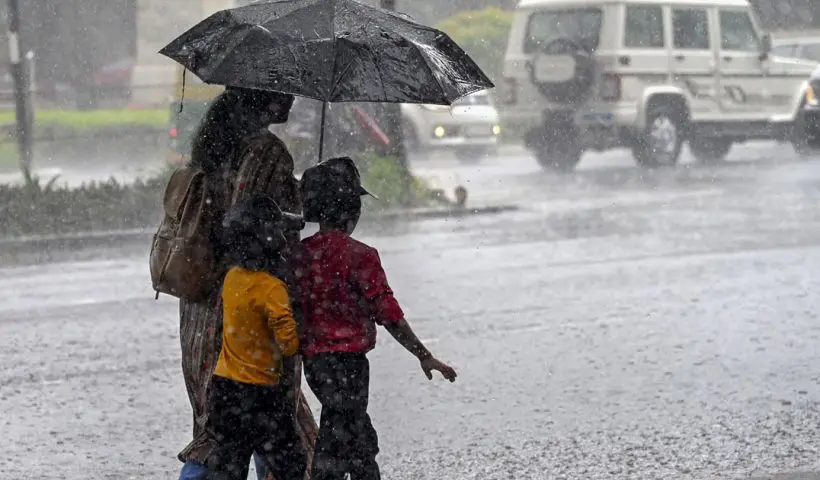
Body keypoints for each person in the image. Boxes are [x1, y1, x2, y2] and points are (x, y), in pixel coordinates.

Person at [178, 87, 316, 480]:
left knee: (218, 427)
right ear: (262, 97)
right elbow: (251, 222)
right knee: (275, 419)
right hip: (247, 306)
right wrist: (296, 206)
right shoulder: (266, 151)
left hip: (202, 305)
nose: (293, 98)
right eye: (284, 89)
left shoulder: (213, 147)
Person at [296, 157, 458, 480]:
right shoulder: (361, 256)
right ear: (352, 213)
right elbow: (388, 313)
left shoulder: (299, 254)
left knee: (346, 427)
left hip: (314, 364)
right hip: (351, 366)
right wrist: (423, 355)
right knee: (347, 434)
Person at [204, 194, 307, 480]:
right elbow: (289, 345)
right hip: (262, 394)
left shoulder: (232, 278)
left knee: (229, 463)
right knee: (290, 463)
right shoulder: (273, 288)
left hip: (224, 389)